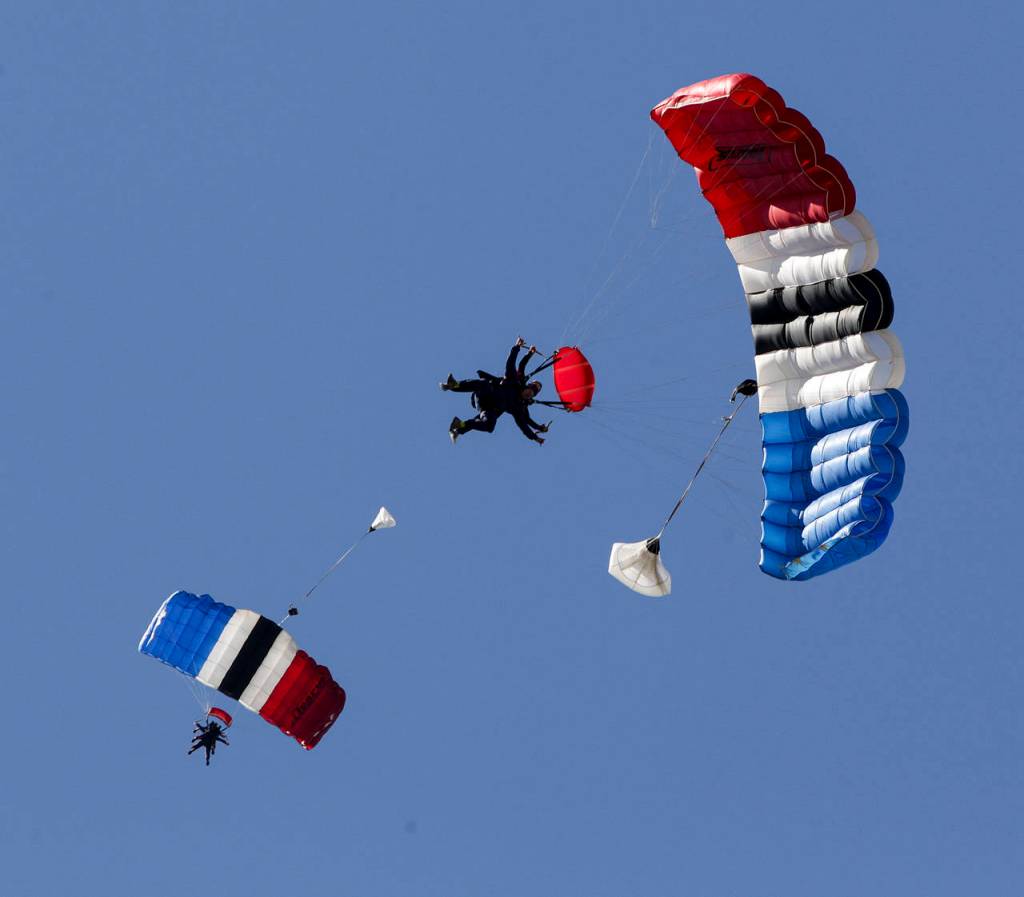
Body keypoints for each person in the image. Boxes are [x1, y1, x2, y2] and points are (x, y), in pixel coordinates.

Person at [441, 337, 549, 445]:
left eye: (533, 393)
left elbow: (525, 424)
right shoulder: (513, 381)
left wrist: (536, 436)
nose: (531, 393)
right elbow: (511, 364)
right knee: (484, 383)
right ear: (527, 386)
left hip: (489, 409)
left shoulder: (519, 407)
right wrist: (517, 347)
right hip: (485, 394)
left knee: (489, 426)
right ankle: (454, 385)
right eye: (531, 389)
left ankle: (460, 426)